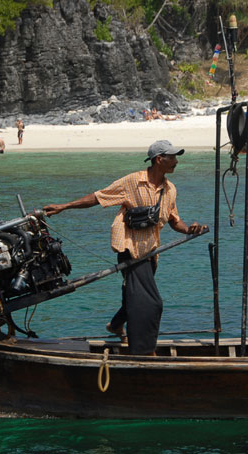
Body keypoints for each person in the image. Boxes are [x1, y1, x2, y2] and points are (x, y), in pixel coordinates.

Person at [43, 140, 206, 355]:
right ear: (159, 160)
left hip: (150, 253)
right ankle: (144, 352)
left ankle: (116, 325)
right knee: (151, 304)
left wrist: (189, 230)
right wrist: (65, 206)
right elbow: (99, 197)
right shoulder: (132, 182)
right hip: (129, 250)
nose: (176, 162)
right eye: (173, 157)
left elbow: (175, 220)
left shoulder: (170, 189)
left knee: (135, 296)